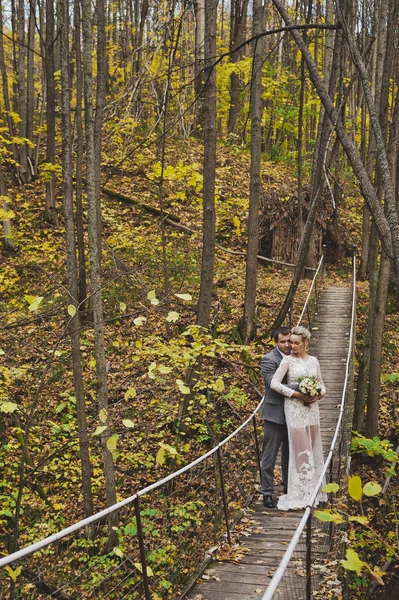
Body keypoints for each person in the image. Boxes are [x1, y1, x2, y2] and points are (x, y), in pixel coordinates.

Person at [271, 325, 327, 510]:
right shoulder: (287, 361)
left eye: (296, 343)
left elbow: (323, 386)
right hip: (294, 408)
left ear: (305, 343)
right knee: (301, 450)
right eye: (290, 343)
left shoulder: (314, 361)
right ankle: (301, 495)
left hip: (312, 409)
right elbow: (275, 384)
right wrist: (296, 395)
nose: (292, 346)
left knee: (312, 447)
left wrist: (317, 395)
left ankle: (313, 492)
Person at [260, 327, 311, 508]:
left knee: (290, 454)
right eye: (283, 341)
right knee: (270, 456)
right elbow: (274, 384)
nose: (288, 344)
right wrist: (305, 387)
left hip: (295, 414)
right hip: (275, 415)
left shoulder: (297, 358)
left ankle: (289, 489)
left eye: (290, 341)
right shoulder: (269, 360)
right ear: (276, 342)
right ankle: (267, 492)